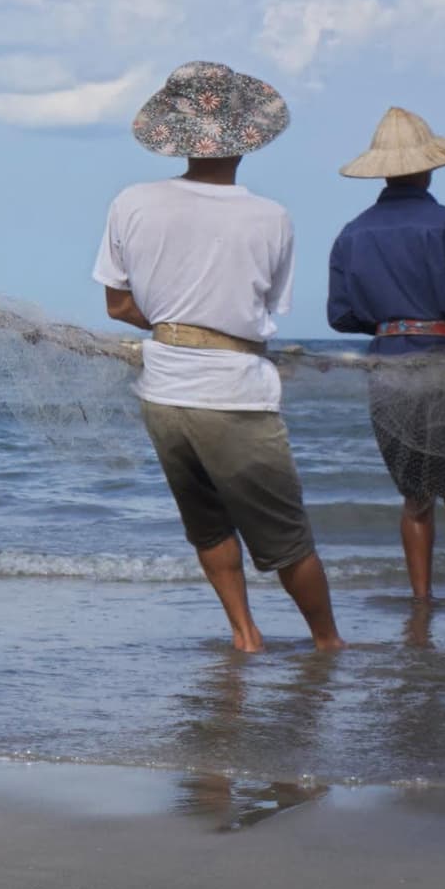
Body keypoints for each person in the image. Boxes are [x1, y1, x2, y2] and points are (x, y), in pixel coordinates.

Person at [96, 64, 341, 654]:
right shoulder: (270, 216)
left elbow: (118, 304)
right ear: (246, 137)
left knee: (206, 524)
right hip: (235, 392)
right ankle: (329, 645)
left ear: (176, 135)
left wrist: (175, 324)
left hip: (164, 392)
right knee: (288, 537)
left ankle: (245, 636)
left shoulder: (132, 202)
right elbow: (265, 311)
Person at [326, 106, 445, 607]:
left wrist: (390, 320)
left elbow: (341, 316)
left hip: (388, 370)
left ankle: (420, 609)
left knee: (415, 498)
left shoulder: (351, 233)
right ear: (429, 165)